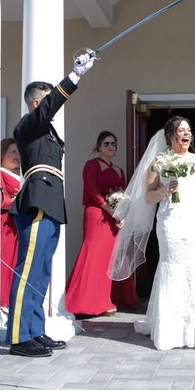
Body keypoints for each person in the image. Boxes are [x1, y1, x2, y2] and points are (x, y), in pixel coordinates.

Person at [110, 116, 195, 350]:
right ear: (170, 136)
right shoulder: (158, 161)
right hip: (169, 221)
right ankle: (170, 329)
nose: (186, 134)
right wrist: (164, 190)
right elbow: (148, 196)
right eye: (180, 130)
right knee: (171, 266)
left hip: (193, 220)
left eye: (188, 130)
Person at [6, 51, 94, 358]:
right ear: (36, 103)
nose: (53, 107)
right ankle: (19, 337)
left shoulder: (48, 132)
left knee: (42, 271)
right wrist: (74, 77)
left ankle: (35, 329)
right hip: (37, 199)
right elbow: (48, 109)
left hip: (52, 201)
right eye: (47, 101)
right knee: (28, 269)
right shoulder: (28, 125)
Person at [65, 131, 139, 318]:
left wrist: (121, 213)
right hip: (97, 214)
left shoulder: (119, 170)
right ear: (99, 147)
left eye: (114, 144)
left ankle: (108, 299)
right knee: (94, 254)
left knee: (111, 257)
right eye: (106, 143)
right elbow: (91, 189)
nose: (110, 146)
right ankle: (85, 302)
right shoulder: (91, 165)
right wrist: (109, 208)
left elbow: (123, 193)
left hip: (114, 217)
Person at [0, 137, 20, 311]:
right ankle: (3, 299)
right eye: (13, 151)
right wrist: (17, 202)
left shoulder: (19, 174)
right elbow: (0, 199)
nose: (17, 155)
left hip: (18, 225)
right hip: (6, 223)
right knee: (5, 260)